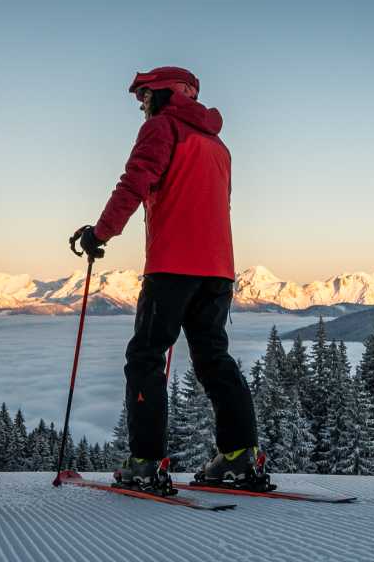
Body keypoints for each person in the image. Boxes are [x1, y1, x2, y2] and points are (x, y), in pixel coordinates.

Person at [70, 66, 272, 493]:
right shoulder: (217, 145)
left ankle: (145, 464)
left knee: (145, 357)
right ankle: (240, 457)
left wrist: (98, 234)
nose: (141, 105)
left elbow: (134, 184)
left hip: (172, 267)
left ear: (164, 95)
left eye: (144, 96)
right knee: (214, 359)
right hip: (218, 270)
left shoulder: (161, 128)